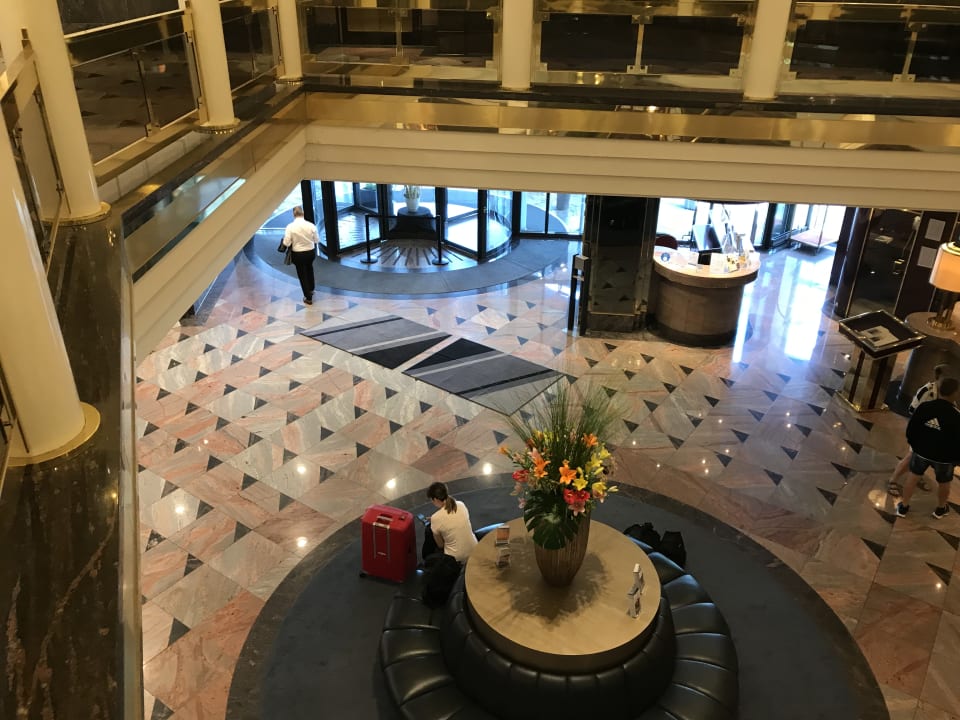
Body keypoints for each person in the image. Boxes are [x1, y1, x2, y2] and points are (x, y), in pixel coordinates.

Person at [894, 376, 960, 520]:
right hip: (944, 458)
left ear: (940, 390)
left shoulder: (925, 407)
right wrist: (955, 459)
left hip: (921, 452)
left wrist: (915, 445)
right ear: (955, 393)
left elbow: (911, 429)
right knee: (944, 483)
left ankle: (904, 506)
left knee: (913, 477)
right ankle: (941, 508)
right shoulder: (957, 416)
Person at [888, 364, 952, 496]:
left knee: (923, 458)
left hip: (934, 432)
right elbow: (912, 409)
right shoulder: (927, 391)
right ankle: (893, 480)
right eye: (944, 378)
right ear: (938, 377)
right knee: (911, 456)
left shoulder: (946, 393)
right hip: (922, 431)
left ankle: (917, 475)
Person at [421, 482, 477, 563]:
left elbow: (441, 545)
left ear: (435, 499)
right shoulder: (461, 504)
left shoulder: (436, 518)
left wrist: (434, 521)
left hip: (456, 559)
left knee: (430, 536)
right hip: (474, 550)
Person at [282, 206, 320, 305]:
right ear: (303, 213)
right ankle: (311, 289)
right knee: (309, 269)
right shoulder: (311, 225)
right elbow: (317, 240)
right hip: (310, 252)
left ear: (293, 214)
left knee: (302, 274)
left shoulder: (290, 227)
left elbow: (286, 243)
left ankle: (308, 297)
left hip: (298, 253)